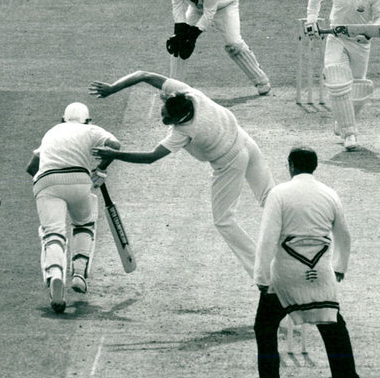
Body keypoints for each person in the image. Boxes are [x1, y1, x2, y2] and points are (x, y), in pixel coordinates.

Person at [89, 70, 275, 278]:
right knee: (271, 197)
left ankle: (263, 272)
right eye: (163, 113)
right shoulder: (187, 93)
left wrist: (113, 154)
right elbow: (143, 75)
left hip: (230, 160)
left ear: (180, 118)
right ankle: (302, 240)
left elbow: (151, 157)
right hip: (246, 141)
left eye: (167, 119)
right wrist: (112, 88)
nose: (163, 121)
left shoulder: (185, 131)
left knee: (223, 220)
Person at [251, 146, 359, 378]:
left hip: (286, 274)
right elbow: (344, 234)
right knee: (332, 322)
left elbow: (268, 237)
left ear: (290, 165)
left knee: (265, 324)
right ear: (315, 166)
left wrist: (261, 275)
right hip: (321, 271)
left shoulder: (278, 194)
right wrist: (339, 266)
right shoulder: (330, 194)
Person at [25, 102, 121, 313]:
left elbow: (32, 166)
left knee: (53, 234)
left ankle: (55, 278)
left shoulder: (53, 132)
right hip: (79, 179)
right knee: (84, 224)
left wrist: (46, 189)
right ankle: (78, 274)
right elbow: (115, 145)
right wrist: (101, 169)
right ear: (88, 120)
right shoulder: (90, 129)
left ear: (63, 119)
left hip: (46, 181)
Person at [305, 0, 380, 151]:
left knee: (358, 88)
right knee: (336, 77)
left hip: (360, 42)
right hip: (336, 38)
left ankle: (342, 120)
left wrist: (368, 32)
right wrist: (312, 21)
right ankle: (350, 132)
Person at [165, 0, 271, 96]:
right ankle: (174, 90)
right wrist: (180, 32)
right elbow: (177, 5)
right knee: (179, 44)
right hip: (197, 7)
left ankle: (262, 81)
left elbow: (210, 11)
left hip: (225, 5)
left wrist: (193, 36)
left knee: (234, 44)